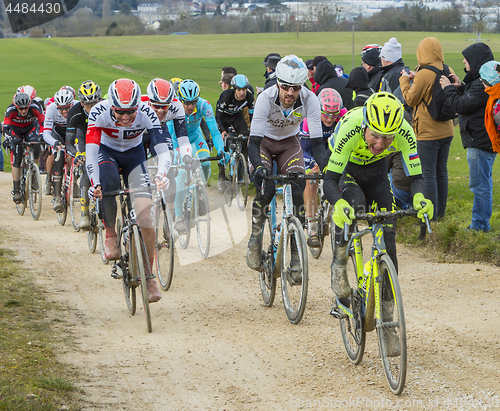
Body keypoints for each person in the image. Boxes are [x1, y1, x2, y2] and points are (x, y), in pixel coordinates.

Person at [324, 93, 432, 355]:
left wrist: (419, 196)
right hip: (346, 172)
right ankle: (339, 264)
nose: (382, 143)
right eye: (375, 135)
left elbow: (416, 174)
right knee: (355, 206)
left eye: (388, 137)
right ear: (365, 126)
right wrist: (338, 204)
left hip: (376, 173)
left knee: (389, 234)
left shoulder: (404, 131)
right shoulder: (350, 127)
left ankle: (388, 322)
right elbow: (329, 180)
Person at [86, 78, 171, 303]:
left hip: (134, 156)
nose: (125, 117)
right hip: (107, 153)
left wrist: (162, 175)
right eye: (120, 112)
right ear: (111, 105)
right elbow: (91, 154)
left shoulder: (147, 112)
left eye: (130, 112)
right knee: (110, 182)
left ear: (138, 107)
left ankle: (149, 276)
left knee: (146, 217)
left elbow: (163, 151)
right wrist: (95, 183)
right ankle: (111, 234)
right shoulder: (98, 112)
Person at [246, 54, 327, 275]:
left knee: (298, 187)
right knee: (267, 188)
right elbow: (253, 143)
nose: (290, 93)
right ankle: (255, 237)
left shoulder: (311, 99)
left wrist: (328, 167)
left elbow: (318, 143)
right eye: (285, 87)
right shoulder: (265, 98)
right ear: (278, 83)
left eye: (296, 88)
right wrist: (259, 167)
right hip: (263, 143)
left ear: (302, 86)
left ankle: (295, 256)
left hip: (289, 144)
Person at [439, 43, 495, 232]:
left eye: (467, 58)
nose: (464, 61)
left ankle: (479, 226)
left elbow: (461, 106)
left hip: (479, 142)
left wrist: (448, 88)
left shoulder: (481, 84)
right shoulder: (482, 82)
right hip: (481, 140)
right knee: (482, 183)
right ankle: (480, 223)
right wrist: (461, 86)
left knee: (479, 186)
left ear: (477, 61)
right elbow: (473, 101)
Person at [399, 37, 455, 221]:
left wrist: (404, 81)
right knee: (442, 172)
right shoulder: (447, 69)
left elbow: (410, 99)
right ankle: (440, 213)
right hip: (447, 130)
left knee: (428, 174)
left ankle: (430, 216)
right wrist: (418, 79)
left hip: (428, 134)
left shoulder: (424, 73)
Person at [167, 79, 226, 232]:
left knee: (206, 163)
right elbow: (170, 133)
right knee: (181, 174)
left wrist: (221, 150)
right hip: (177, 140)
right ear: (180, 99)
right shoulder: (173, 106)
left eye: (193, 102)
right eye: (186, 102)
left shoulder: (203, 105)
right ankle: (179, 217)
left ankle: (200, 193)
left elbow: (214, 131)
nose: (190, 106)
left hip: (196, 138)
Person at [300, 88, 347, 247]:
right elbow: (302, 149)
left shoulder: (343, 116)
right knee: (311, 181)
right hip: (310, 149)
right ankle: (312, 224)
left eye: (334, 114)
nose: (330, 118)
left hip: (331, 150)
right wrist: (312, 163)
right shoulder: (309, 119)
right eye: (326, 114)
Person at [145, 77, 192, 234]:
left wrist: (187, 155)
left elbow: (182, 136)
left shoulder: (177, 106)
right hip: (140, 133)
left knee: (169, 168)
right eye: (156, 106)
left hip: (160, 131)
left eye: (164, 107)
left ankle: (169, 217)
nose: (160, 110)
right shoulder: (141, 104)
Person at [65, 80, 103, 230]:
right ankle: (85, 214)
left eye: (94, 103)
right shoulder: (75, 112)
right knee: (88, 167)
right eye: (87, 104)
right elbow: (68, 143)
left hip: (101, 138)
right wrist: (77, 155)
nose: (91, 107)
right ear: (81, 103)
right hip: (83, 139)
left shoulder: (106, 108)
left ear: (99, 100)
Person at [3, 92, 45, 203]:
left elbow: (44, 123)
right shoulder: (11, 110)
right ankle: (16, 190)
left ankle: (34, 175)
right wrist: (10, 138)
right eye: (20, 109)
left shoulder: (35, 107)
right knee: (17, 154)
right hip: (15, 131)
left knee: (36, 148)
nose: (24, 111)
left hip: (30, 129)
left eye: (26, 108)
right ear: (16, 107)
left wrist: (43, 136)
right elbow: (5, 129)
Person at [215, 74, 254, 191]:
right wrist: (222, 131)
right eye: (239, 90)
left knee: (246, 139)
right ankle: (221, 178)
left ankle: (241, 174)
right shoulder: (226, 96)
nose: (242, 93)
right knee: (223, 149)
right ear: (234, 89)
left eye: (244, 89)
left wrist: (253, 131)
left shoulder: (250, 97)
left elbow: (253, 116)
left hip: (237, 117)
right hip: (223, 118)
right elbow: (218, 116)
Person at [42, 88, 79, 212]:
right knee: (58, 155)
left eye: (67, 108)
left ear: (72, 104)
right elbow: (46, 133)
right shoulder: (51, 108)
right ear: (56, 106)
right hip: (57, 134)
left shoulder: (78, 106)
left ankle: (74, 182)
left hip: (72, 133)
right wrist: (55, 143)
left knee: (76, 154)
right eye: (61, 108)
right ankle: (57, 196)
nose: (64, 111)